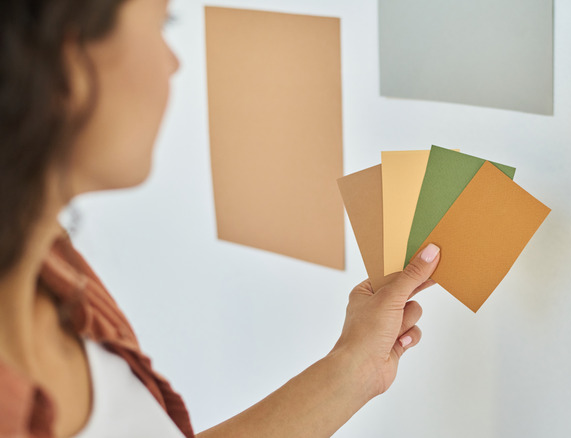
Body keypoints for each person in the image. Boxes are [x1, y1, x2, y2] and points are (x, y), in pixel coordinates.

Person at [0, 0, 441, 437]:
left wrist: (355, 367)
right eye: (163, 24)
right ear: (69, 58)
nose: (174, 63)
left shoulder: (56, 271)